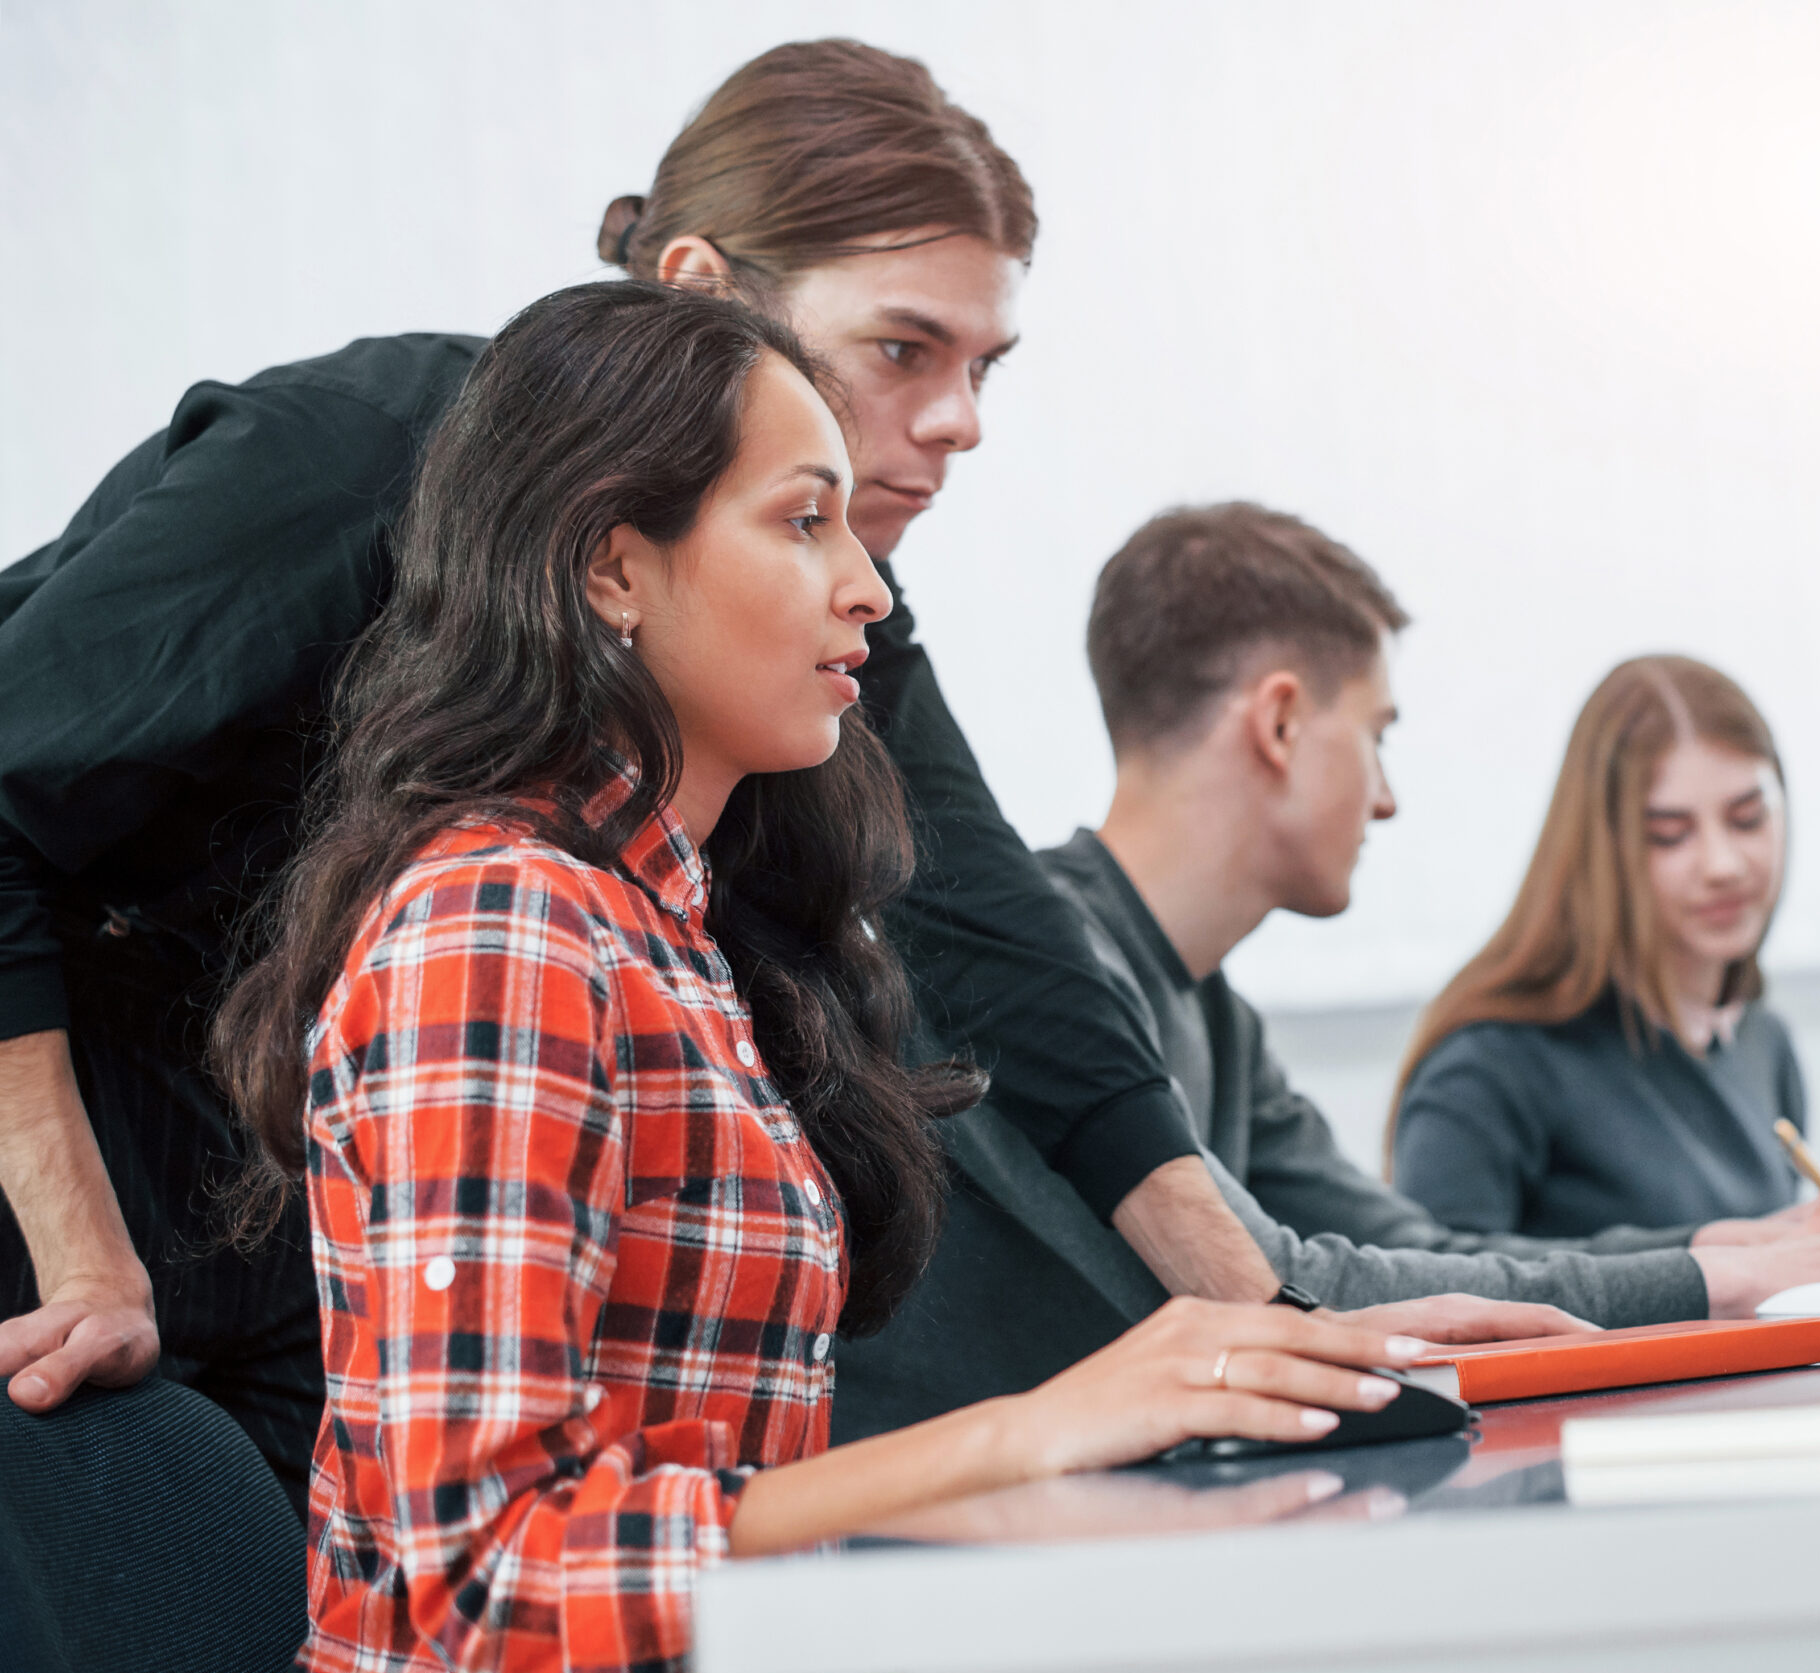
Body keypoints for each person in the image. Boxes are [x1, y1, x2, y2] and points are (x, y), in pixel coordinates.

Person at [0, 39, 1299, 1493]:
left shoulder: (745, 731)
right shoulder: (359, 480)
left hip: (298, 1208)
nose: (960, 423)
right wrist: (80, 1246)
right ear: (697, 293)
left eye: (982, 368)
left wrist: (1261, 1316)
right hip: (73, 1163)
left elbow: (991, 933)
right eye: (901, 349)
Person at [216, 280, 1424, 1673]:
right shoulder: (503, 924)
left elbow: (733, 1499)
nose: (868, 584)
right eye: (805, 521)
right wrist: (1010, 1445)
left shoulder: (670, 928)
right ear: (613, 569)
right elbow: (489, 1583)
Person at [1040, 503, 1820, 1329]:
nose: (1385, 797)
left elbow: (1413, 1248)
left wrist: (1708, 1245)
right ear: (1281, 723)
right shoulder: (1049, 966)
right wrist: (1719, 1277)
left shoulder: (1214, 1012)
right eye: (1377, 736)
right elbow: (1303, 1284)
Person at [1394, 654, 1820, 1245]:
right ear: (1602, 847)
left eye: (1747, 819)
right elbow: (1432, 1295)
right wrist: (1712, 1261)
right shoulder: (1491, 1065)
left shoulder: (1764, 1044)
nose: (1722, 865)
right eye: (1669, 835)